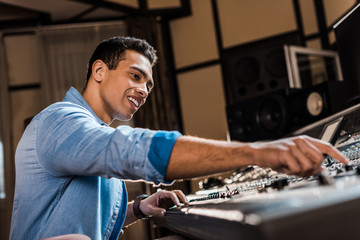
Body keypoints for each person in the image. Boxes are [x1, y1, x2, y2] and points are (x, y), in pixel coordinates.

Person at [9, 36, 348, 240]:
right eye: (135, 76)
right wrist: (259, 152)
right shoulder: (60, 121)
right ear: (99, 71)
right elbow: (131, 151)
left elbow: (88, 214)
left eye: (149, 84)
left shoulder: (92, 136)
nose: (143, 90)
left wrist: (140, 208)